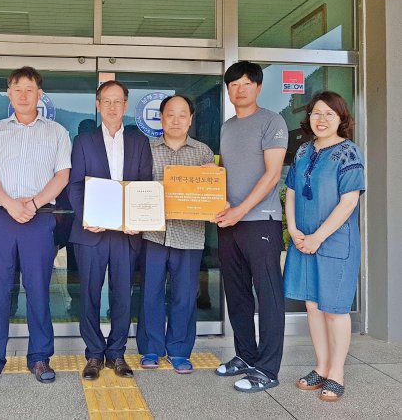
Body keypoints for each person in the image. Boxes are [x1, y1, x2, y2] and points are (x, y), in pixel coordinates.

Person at [0, 66, 72, 386]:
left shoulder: (56, 132)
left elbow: (62, 175)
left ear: (39, 95)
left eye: (29, 89)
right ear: (9, 94)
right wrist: (12, 204)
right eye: (17, 89)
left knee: (39, 287)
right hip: (0, 216)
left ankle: (40, 357)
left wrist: (34, 203)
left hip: (38, 217)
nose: (23, 95)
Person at [68, 80, 152, 380]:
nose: (113, 107)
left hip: (126, 234)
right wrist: (86, 216)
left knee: (122, 295)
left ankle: (116, 353)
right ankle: (93, 354)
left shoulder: (139, 141)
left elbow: (144, 185)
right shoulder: (83, 141)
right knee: (88, 294)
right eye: (107, 101)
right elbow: (75, 184)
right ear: (98, 104)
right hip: (92, 231)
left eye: (118, 101)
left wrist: (138, 220)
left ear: (126, 105)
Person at [213, 61, 289, 392]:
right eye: (233, 85)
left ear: (257, 87)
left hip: (261, 221)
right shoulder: (227, 127)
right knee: (238, 293)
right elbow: (229, 170)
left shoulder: (272, 121)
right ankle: (245, 355)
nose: (239, 89)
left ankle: (268, 369)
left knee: (268, 296)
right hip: (229, 222)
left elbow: (272, 174)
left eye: (245, 83)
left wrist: (241, 210)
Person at [283, 91, 364, 402]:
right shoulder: (303, 150)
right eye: (317, 113)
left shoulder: (349, 153)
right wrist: (293, 229)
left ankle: (337, 374)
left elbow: (349, 201)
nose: (321, 119)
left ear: (341, 119)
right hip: (303, 242)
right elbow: (290, 192)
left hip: (334, 243)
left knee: (334, 309)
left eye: (330, 114)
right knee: (313, 306)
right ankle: (321, 366)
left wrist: (318, 236)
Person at [135, 95, 214, 374]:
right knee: (151, 293)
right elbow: (136, 187)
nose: (176, 120)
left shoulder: (204, 153)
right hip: (153, 234)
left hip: (190, 235)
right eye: (170, 114)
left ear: (190, 119)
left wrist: (212, 178)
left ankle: (180, 350)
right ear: (161, 118)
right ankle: (151, 349)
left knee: (184, 294)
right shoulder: (146, 149)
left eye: (182, 115)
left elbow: (212, 195)